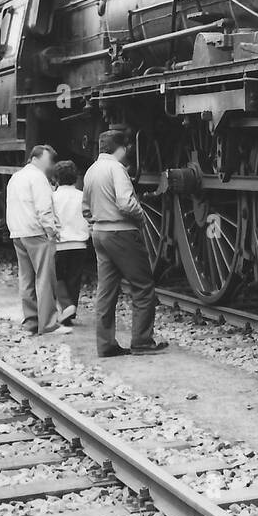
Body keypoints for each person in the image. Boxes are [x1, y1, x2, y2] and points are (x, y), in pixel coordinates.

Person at [82, 129, 166, 357]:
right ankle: (141, 342)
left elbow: (85, 209)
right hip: (122, 233)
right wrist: (141, 219)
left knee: (106, 291)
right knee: (143, 287)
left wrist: (98, 220)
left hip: (100, 233)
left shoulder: (91, 171)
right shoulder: (116, 169)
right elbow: (126, 203)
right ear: (123, 148)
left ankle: (106, 345)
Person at [5, 145, 70, 337]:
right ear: (37, 158)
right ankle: (49, 324)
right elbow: (44, 208)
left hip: (18, 232)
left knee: (26, 278)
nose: (51, 165)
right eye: (49, 160)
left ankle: (31, 321)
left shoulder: (16, 177)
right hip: (36, 232)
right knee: (45, 278)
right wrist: (52, 231)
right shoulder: (38, 178)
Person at [52, 160, 89, 326]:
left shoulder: (52, 197)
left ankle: (66, 307)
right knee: (74, 279)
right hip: (79, 244)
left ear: (56, 179)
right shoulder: (82, 197)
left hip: (59, 244)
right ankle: (70, 313)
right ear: (75, 178)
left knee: (57, 277)